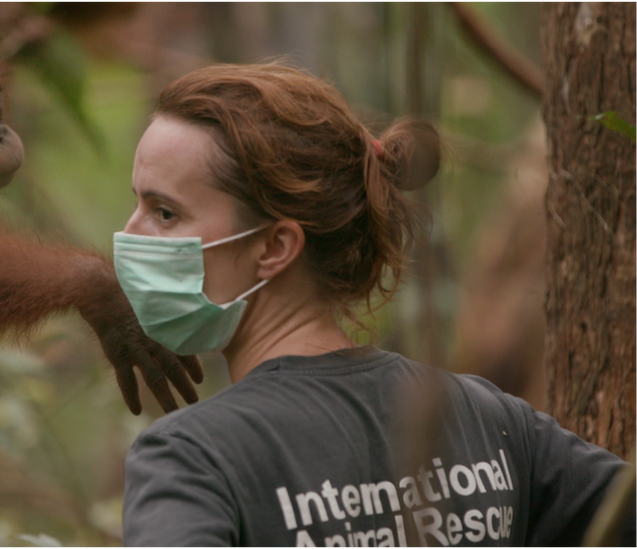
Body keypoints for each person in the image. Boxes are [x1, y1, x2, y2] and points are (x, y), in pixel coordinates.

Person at [113, 63, 635, 549]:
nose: (128, 233)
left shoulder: (192, 460)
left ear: (275, 247)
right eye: (136, 203)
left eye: (164, 213)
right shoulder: (490, 422)